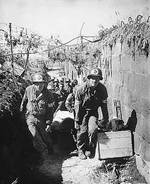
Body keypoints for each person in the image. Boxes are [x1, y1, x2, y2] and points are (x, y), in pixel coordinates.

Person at [74, 68, 109, 159]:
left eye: (97, 78)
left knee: (93, 130)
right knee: (82, 131)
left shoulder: (102, 89)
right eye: (93, 78)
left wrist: (105, 119)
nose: (95, 80)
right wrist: (77, 120)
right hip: (82, 112)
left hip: (93, 112)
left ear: (99, 79)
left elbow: (104, 105)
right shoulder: (81, 89)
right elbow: (77, 107)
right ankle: (81, 150)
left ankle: (91, 148)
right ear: (89, 78)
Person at [20, 73, 55, 156]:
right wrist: (21, 113)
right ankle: (43, 150)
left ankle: (50, 148)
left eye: (42, 83)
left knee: (45, 136)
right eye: (37, 84)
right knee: (34, 134)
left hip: (42, 118)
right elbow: (24, 101)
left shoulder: (49, 94)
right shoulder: (28, 90)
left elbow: (50, 110)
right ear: (34, 84)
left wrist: (48, 123)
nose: (40, 86)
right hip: (30, 116)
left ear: (44, 83)